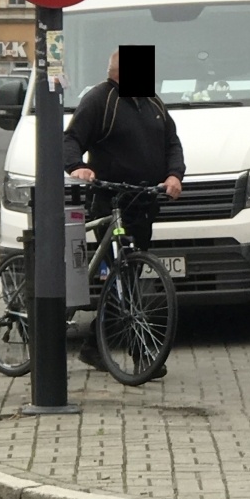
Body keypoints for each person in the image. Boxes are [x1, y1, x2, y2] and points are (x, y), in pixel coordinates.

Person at [63, 48, 186, 371]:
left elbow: (172, 142)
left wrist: (175, 174)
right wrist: (78, 167)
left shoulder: (153, 103)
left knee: (124, 276)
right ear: (117, 72)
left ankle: (93, 346)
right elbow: (71, 138)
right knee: (123, 277)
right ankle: (142, 354)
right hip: (110, 201)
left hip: (143, 201)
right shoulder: (100, 100)